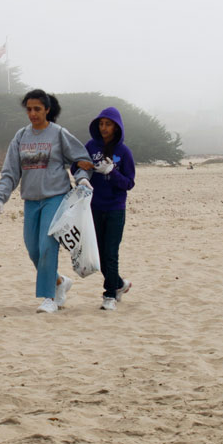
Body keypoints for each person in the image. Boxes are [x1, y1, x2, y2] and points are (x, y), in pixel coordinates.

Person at [0, 89, 92, 314]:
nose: (33, 113)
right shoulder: (21, 136)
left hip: (56, 198)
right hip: (31, 200)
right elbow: (10, 171)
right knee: (33, 249)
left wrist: (82, 179)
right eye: (29, 109)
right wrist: (0, 197)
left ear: (47, 109)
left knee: (47, 247)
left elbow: (81, 159)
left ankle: (49, 298)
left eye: (37, 109)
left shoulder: (59, 134)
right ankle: (59, 281)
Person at [75, 107, 135, 311]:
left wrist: (112, 173)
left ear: (116, 127)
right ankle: (118, 284)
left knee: (111, 252)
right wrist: (85, 170)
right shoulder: (91, 146)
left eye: (108, 124)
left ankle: (109, 295)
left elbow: (129, 183)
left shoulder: (124, 152)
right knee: (98, 254)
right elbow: (76, 165)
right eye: (101, 124)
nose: (103, 128)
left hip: (115, 208)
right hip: (94, 207)